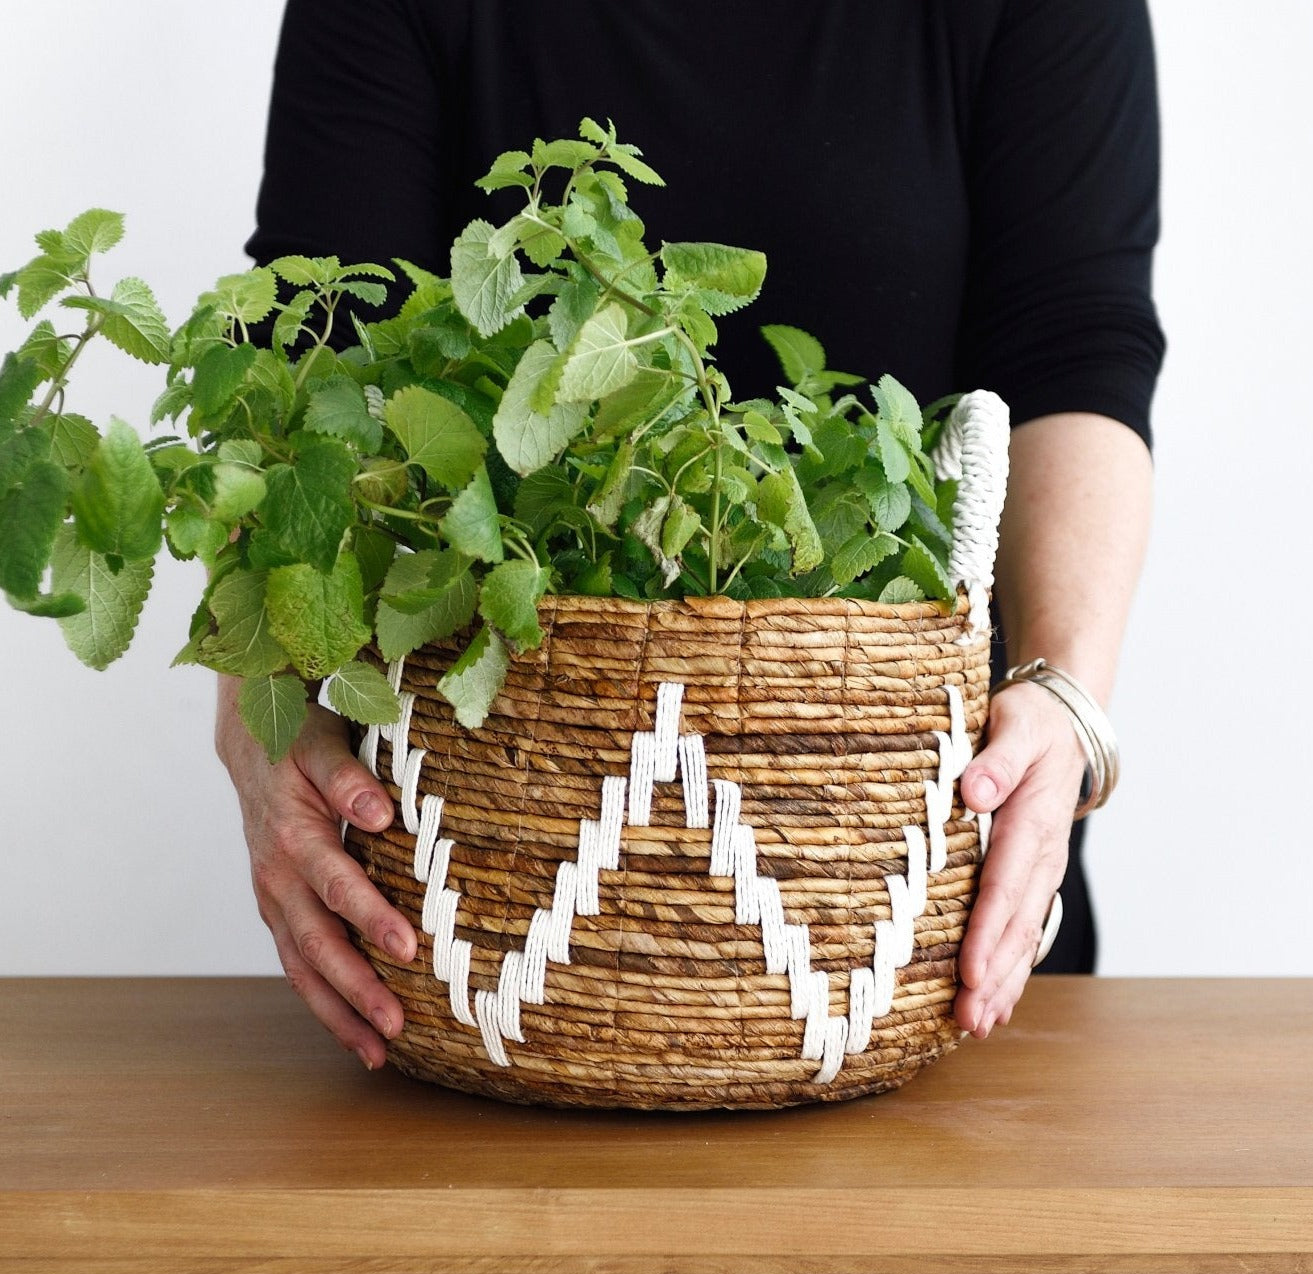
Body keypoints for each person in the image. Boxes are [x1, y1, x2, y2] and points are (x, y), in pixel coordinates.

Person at [217, 0, 1163, 1072]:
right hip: (496, 916)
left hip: (913, 911)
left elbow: (1074, 348)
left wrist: (1066, 701)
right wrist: (258, 690)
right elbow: (316, 359)